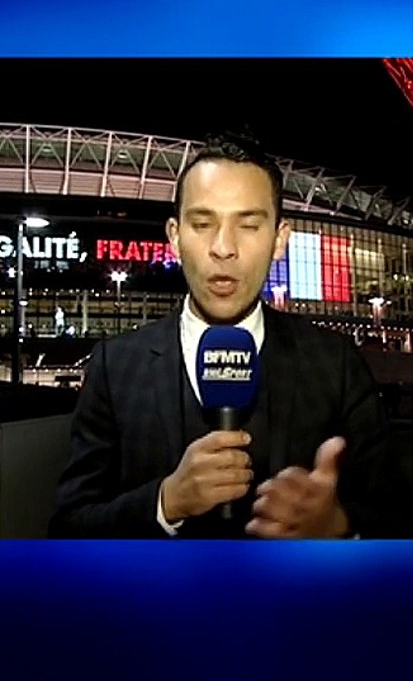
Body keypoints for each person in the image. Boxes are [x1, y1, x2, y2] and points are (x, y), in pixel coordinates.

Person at [50, 132, 410, 539]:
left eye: (249, 225)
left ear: (279, 239)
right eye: (203, 224)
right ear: (174, 237)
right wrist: (165, 503)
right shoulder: (115, 366)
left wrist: (338, 528)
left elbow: (396, 522)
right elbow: (68, 529)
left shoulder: (335, 363)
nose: (223, 248)